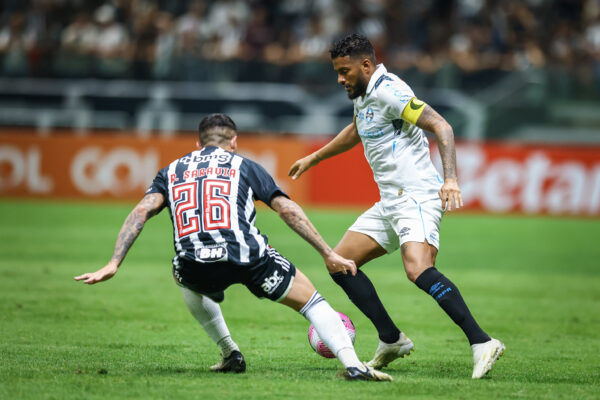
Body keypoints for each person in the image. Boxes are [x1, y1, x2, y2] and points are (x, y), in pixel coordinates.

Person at [74, 113, 391, 382]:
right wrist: (328, 252)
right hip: (249, 259)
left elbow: (141, 211)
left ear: (197, 144)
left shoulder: (170, 171)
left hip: (195, 264)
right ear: (234, 142)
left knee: (180, 272)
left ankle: (229, 352)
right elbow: (287, 210)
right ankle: (353, 365)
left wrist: (114, 262)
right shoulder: (245, 165)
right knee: (313, 303)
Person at [288, 34, 505, 379]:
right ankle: (391, 339)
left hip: (417, 195)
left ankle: (482, 341)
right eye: (337, 72)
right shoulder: (364, 93)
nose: (340, 79)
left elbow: (441, 126)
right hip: (391, 200)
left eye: (345, 71)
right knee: (339, 262)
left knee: (417, 269)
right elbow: (358, 128)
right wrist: (315, 157)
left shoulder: (390, 89)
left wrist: (450, 179)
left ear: (366, 65)